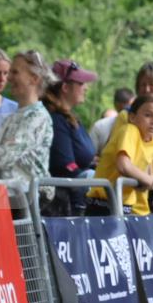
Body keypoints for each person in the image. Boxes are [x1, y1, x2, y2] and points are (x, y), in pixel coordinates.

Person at [0, 50, 55, 194]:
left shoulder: (37, 117)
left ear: (34, 79)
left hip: (28, 200)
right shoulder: (13, 117)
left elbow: (5, 156)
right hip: (6, 194)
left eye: (15, 72)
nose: (8, 78)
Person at [85, 95, 153, 216]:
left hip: (125, 202)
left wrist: (148, 180)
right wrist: (147, 180)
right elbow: (123, 165)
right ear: (132, 117)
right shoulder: (129, 130)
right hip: (103, 201)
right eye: (148, 115)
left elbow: (148, 169)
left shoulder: (152, 140)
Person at [44, 59, 99, 214]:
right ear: (65, 87)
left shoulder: (69, 118)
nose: (86, 88)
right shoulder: (56, 119)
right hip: (67, 206)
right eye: (81, 84)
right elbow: (66, 166)